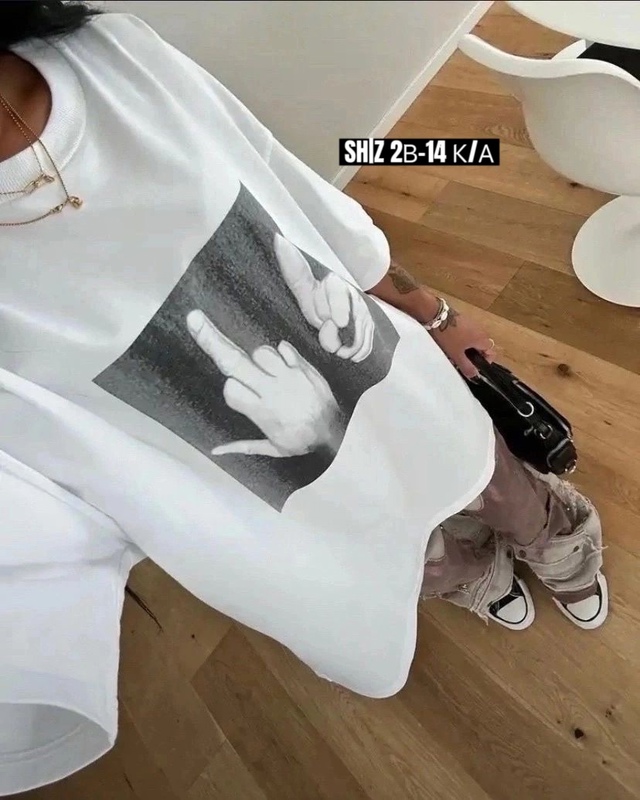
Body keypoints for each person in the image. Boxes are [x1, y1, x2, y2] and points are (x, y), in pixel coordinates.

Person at [0, 1, 606, 793]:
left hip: (382, 372)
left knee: (472, 463)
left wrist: (432, 312)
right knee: (391, 544)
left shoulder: (115, 55)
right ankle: (464, 571)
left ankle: (549, 532)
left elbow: (290, 186)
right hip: (266, 497)